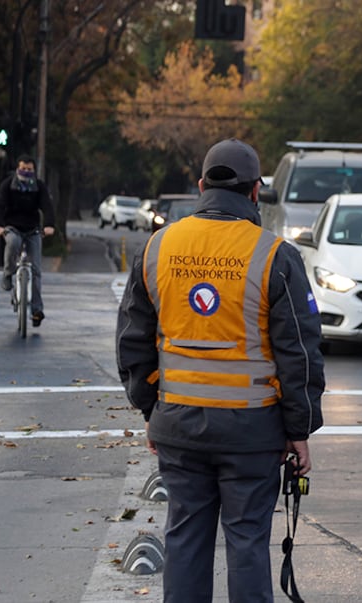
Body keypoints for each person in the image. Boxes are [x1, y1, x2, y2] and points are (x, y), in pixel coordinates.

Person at [116, 138, 325, 603]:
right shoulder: (275, 256)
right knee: (248, 540)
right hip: (252, 431)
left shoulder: (157, 248)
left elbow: (133, 341)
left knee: (185, 538)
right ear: (255, 193)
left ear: (200, 186)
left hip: (180, 424)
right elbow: (299, 352)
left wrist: (151, 408)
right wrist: (300, 427)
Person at [0, 155, 56, 327]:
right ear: (17, 168)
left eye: (30, 169)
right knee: (13, 243)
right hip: (12, 226)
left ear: (34, 170)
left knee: (36, 270)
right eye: (23, 168)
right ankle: (8, 274)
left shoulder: (39, 187)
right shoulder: (8, 185)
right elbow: (0, 205)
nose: (26, 172)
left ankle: (37, 310)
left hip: (32, 229)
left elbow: (47, 205)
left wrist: (49, 225)